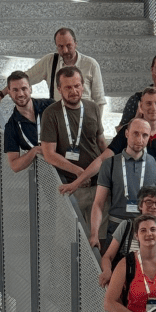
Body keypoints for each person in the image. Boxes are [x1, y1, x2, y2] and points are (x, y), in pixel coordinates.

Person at [40, 66, 107, 232]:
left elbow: (101, 144)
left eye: (77, 86)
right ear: (59, 89)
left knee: (99, 236)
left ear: (83, 85)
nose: (74, 91)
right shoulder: (51, 113)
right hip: (70, 187)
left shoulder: (92, 108)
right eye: (68, 87)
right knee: (68, 238)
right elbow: (49, 154)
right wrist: (79, 172)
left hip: (98, 185)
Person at [106, 86, 156, 219]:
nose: (153, 107)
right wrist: (78, 180)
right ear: (141, 106)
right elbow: (104, 158)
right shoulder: (128, 131)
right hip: (132, 205)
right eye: (148, 103)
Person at [89, 118, 156, 250]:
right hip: (116, 228)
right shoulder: (110, 164)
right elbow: (98, 203)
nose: (140, 139)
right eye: (135, 133)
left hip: (145, 231)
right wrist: (94, 234)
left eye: (145, 135)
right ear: (126, 133)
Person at [0, 27, 106, 109]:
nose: (65, 50)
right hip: (59, 119)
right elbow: (24, 79)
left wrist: (97, 129)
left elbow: (99, 101)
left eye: (68, 45)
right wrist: (0, 95)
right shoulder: (50, 61)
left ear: (76, 43)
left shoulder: (91, 64)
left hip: (84, 118)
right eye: (60, 46)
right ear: (56, 46)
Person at [98, 187, 156, 288]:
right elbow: (107, 257)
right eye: (148, 202)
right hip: (128, 282)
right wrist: (107, 271)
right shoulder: (127, 226)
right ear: (140, 205)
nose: (153, 206)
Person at [104, 214, 156, 312]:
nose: (149, 233)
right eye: (143, 230)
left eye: (153, 229)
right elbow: (109, 303)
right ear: (136, 235)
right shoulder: (126, 263)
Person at [1, 71, 53, 174]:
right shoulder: (11, 126)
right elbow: (14, 166)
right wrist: (35, 150)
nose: (20, 94)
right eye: (15, 90)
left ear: (30, 89)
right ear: (9, 93)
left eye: (24, 88)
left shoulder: (50, 106)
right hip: (48, 177)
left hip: (70, 165)